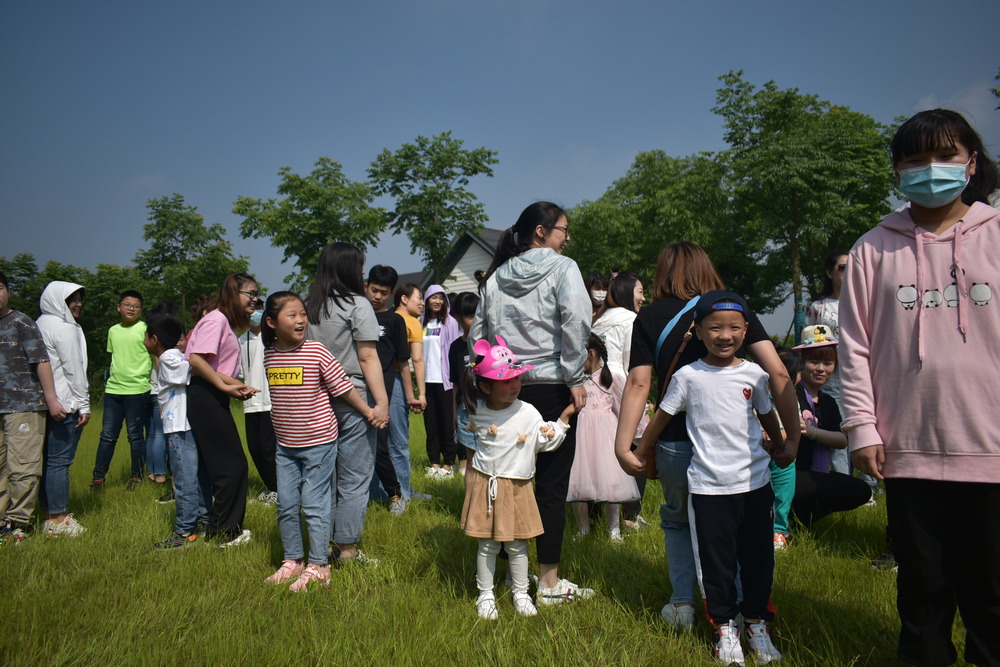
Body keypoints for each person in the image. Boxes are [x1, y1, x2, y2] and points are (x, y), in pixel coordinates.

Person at [840, 109, 1000, 667]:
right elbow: (854, 347)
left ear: (971, 162)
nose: (930, 170)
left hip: (991, 450)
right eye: (915, 160)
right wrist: (862, 427)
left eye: (945, 157)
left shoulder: (997, 236)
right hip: (907, 449)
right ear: (897, 172)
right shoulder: (871, 250)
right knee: (923, 594)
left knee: (993, 594)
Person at [614, 242, 799, 631]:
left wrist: (624, 442)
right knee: (732, 526)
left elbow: (638, 382)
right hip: (731, 445)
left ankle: (682, 605)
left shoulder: (649, 317)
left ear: (662, 272)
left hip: (675, 445)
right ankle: (734, 613)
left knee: (679, 523)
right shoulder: (733, 312)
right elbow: (778, 374)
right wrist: (791, 437)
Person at [636, 291, 785, 666]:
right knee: (715, 565)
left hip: (755, 485)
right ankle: (725, 629)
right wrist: (640, 451)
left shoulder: (754, 374)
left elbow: (767, 414)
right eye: (714, 328)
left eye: (734, 328)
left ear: (746, 331)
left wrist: (784, 443)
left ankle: (756, 624)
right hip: (708, 489)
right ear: (698, 331)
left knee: (758, 560)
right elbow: (662, 417)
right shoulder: (688, 376)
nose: (725, 335)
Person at [470, 201, 593, 606]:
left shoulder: (495, 276)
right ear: (541, 232)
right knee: (551, 489)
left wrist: (487, 383)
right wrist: (576, 376)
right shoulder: (563, 267)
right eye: (563, 229)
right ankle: (549, 583)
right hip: (554, 386)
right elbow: (575, 321)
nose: (567, 237)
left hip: (506, 390)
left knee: (506, 482)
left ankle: (510, 576)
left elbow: (478, 338)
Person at [262, 292, 373, 591]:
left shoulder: (317, 352)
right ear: (271, 322)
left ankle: (319, 566)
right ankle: (293, 560)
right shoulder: (270, 355)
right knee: (286, 504)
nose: (300, 320)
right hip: (285, 446)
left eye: (302, 314)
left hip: (319, 444)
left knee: (314, 505)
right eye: (292, 315)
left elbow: (343, 388)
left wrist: (368, 411)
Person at [458, 336, 575, 619]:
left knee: (518, 545)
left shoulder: (528, 411)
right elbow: (469, 436)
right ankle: (485, 595)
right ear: (485, 386)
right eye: (505, 381)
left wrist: (562, 421)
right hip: (487, 486)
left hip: (520, 486)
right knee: (487, 544)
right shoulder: (478, 412)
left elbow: (545, 441)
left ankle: (520, 593)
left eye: (516, 379)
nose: (514, 385)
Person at [305, 242, 388, 565]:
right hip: (353, 402)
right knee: (354, 479)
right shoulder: (357, 304)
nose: (363, 273)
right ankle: (348, 550)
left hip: (315, 402)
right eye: (360, 266)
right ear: (348, 269)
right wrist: (379, 402)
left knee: (324, 478)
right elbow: (367, 356)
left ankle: (322, 545)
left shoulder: (309, 307)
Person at [185, 273, 258, 547]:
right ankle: (226, 533)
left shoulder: (223, 322)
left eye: (255, 294)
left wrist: (235, 385)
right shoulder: (216, 320)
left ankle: (220, 529)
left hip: (212, 393)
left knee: (225, 467)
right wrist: (224, 386)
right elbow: (196, 361)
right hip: (205, 396)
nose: (254, 299)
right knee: (232, 467)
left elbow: (213, 367)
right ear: (232, 293)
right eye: (249, 293)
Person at [0, 272, 65, 539]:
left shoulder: (21, 322)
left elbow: (41, 361)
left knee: (23, 465)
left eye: (0, 287)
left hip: (24, 404)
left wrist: (51, 400)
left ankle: (19, 522)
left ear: (8, 291)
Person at [789, 325, 871, 528]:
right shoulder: (790, 393)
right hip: (787, 471)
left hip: (813, 471)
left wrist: (812, 432)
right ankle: (786, 523)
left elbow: (842, 441)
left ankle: (797, 522)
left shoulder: (829, 401)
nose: (821, 368)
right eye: (814, 361)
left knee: (860, 491)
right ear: (801, 363)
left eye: (828, 363)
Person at [145, 315, 212, 550]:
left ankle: (184, 531)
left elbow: (191, 370)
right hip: (189, 425)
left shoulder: (168, 358)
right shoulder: (177, 356)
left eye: (146, 336)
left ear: (154, 339)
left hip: (178, 428)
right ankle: (205, 519)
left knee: (184, 480)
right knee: (198, 477)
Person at [567, 333, 638, 542]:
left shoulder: (612, 378)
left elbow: (623, 408)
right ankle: (582, 527)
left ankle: (614, 529)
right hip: (581, 434)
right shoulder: (575, 379)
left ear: (589, 353)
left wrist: (638, 431)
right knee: (578, 481)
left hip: (606, 434)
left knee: (611, 482)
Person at [592, 270, 649, 530]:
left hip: (595, 383)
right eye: (640, 292)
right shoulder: (631, 320)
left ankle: (595, 510)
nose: (644, 298)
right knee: (637, 444)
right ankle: (631, 513)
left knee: (598, 448)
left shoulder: (599, 320)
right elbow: (630, 363)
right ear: (628, 292)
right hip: (620, 383)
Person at [36, 281, 90, 537]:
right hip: (66, 403)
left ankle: (48, 514)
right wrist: (85, 404)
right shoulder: (64, 328)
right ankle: (58, 520)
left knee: (46, 462)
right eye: (72, 300)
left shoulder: (40, 324)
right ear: (59, 301)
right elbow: (74, 369)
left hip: (46, 403)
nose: (78, 304)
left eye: (80, 299)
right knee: (59, 462)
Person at [91, 290, 151, 490]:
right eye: (127, 305)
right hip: (113, 390)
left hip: (138, 390)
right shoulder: (113, 331)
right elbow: (114, 357)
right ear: (119, 307)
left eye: (136, 306)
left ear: (141, 310)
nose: (131, 309)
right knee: (107, 436)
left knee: (135, 437)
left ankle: (137, 477)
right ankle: (98, 478)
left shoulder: (146, 329)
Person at [364, 265, 409, 514]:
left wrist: (412, 395)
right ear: (366, 287)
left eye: (383, 292)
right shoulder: (358, 316)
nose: (377, 296)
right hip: (354, 390)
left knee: (381, 446)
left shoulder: (394, 320)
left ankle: (395, 494)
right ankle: (362, 497)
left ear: (391, 294)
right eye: (374, 290)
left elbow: (403, 361)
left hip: (383, 393)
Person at [805, 252, 854, 477]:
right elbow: (808, 344)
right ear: (830, 273)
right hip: (830, 376)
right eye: (842, 267)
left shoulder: (865, 302)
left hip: (861, 373)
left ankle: (870, 484)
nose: (848, 271)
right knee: (837, 425)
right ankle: (843, 480)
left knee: (863, 427)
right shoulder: (819, 307)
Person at [390, 284, 427, 501]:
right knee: (398, 442)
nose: (422, 303)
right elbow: (417, 359)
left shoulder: (384, 318)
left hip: (375, 382)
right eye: (419, 298)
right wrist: (420, 393)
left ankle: (392, 491)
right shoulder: (410, 322)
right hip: (396, 382)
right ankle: (403, 493)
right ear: (404, 299)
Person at [421, 284, 462, 478]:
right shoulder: (422, 323)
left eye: (440, 298)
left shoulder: (451, 323)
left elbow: (455, 352)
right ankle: (434, 463)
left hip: (445, 381)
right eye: (433, 297)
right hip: (426, 381)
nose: (437, 301)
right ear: (427, 299)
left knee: (447, 423)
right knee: (431, 424)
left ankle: (448, 463)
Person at [240, 299, 278, 505]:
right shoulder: (240, 340)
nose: (254, 314)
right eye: (251, 309)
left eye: (258, 309)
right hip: (249, 402)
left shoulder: (273, 337)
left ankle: (278, 488)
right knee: (254, 448)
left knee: (268, 448)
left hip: (271, 401)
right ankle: (270, 486)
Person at [769, 348, 801, 551]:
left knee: (783, 495)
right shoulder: (757, 394)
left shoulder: (793, 398)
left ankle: (779, 532)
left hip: (785, 457)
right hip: (760, 453)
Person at [145, 301, 177, 489]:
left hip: (151, 389)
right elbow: (163, 368)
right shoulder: (163, 338)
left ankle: (153, 472)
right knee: (159, 434)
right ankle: (160, 476)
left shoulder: (152, 334)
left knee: (152, 434)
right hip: (161, 391)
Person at [449, 292, 480, 476]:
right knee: (471, 461)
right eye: (469, 316)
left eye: (477, 314)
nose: (474, 320)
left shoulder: (487, 342)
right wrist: (454, 411)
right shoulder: (455, 347)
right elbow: (455, 384)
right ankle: (471, 503)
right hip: (465, 409)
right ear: (458, 317)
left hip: (487, 407)